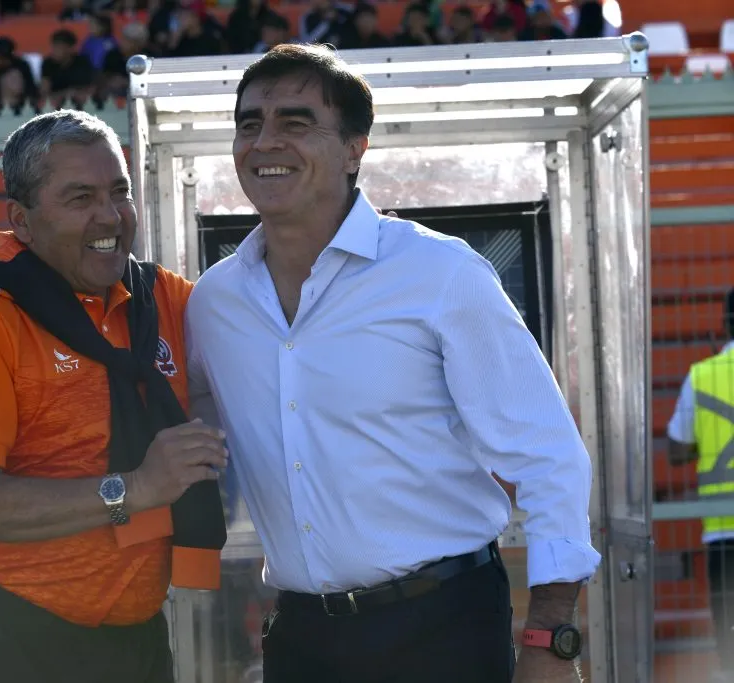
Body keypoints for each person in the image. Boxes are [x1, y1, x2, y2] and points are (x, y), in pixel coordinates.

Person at [184, 43, 601, 683]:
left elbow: (549, 460)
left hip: (444, 632)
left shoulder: (441, 273)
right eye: (250, 124)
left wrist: (549, 640)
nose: (265, 142)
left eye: (296, 122)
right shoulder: (213, 303)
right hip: (301, 639)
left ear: (355, 149)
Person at [0, 110, 228, 683]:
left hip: (135, 641)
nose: (110, 216)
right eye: (80, 198)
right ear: (21, 221)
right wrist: (136, 488)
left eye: (119, 191)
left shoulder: (162, 299)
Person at [667, 287, 734, 683]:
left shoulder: (703, 376)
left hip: (723, 531)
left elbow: (676, 449)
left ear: (725, 323)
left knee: (729, 645)